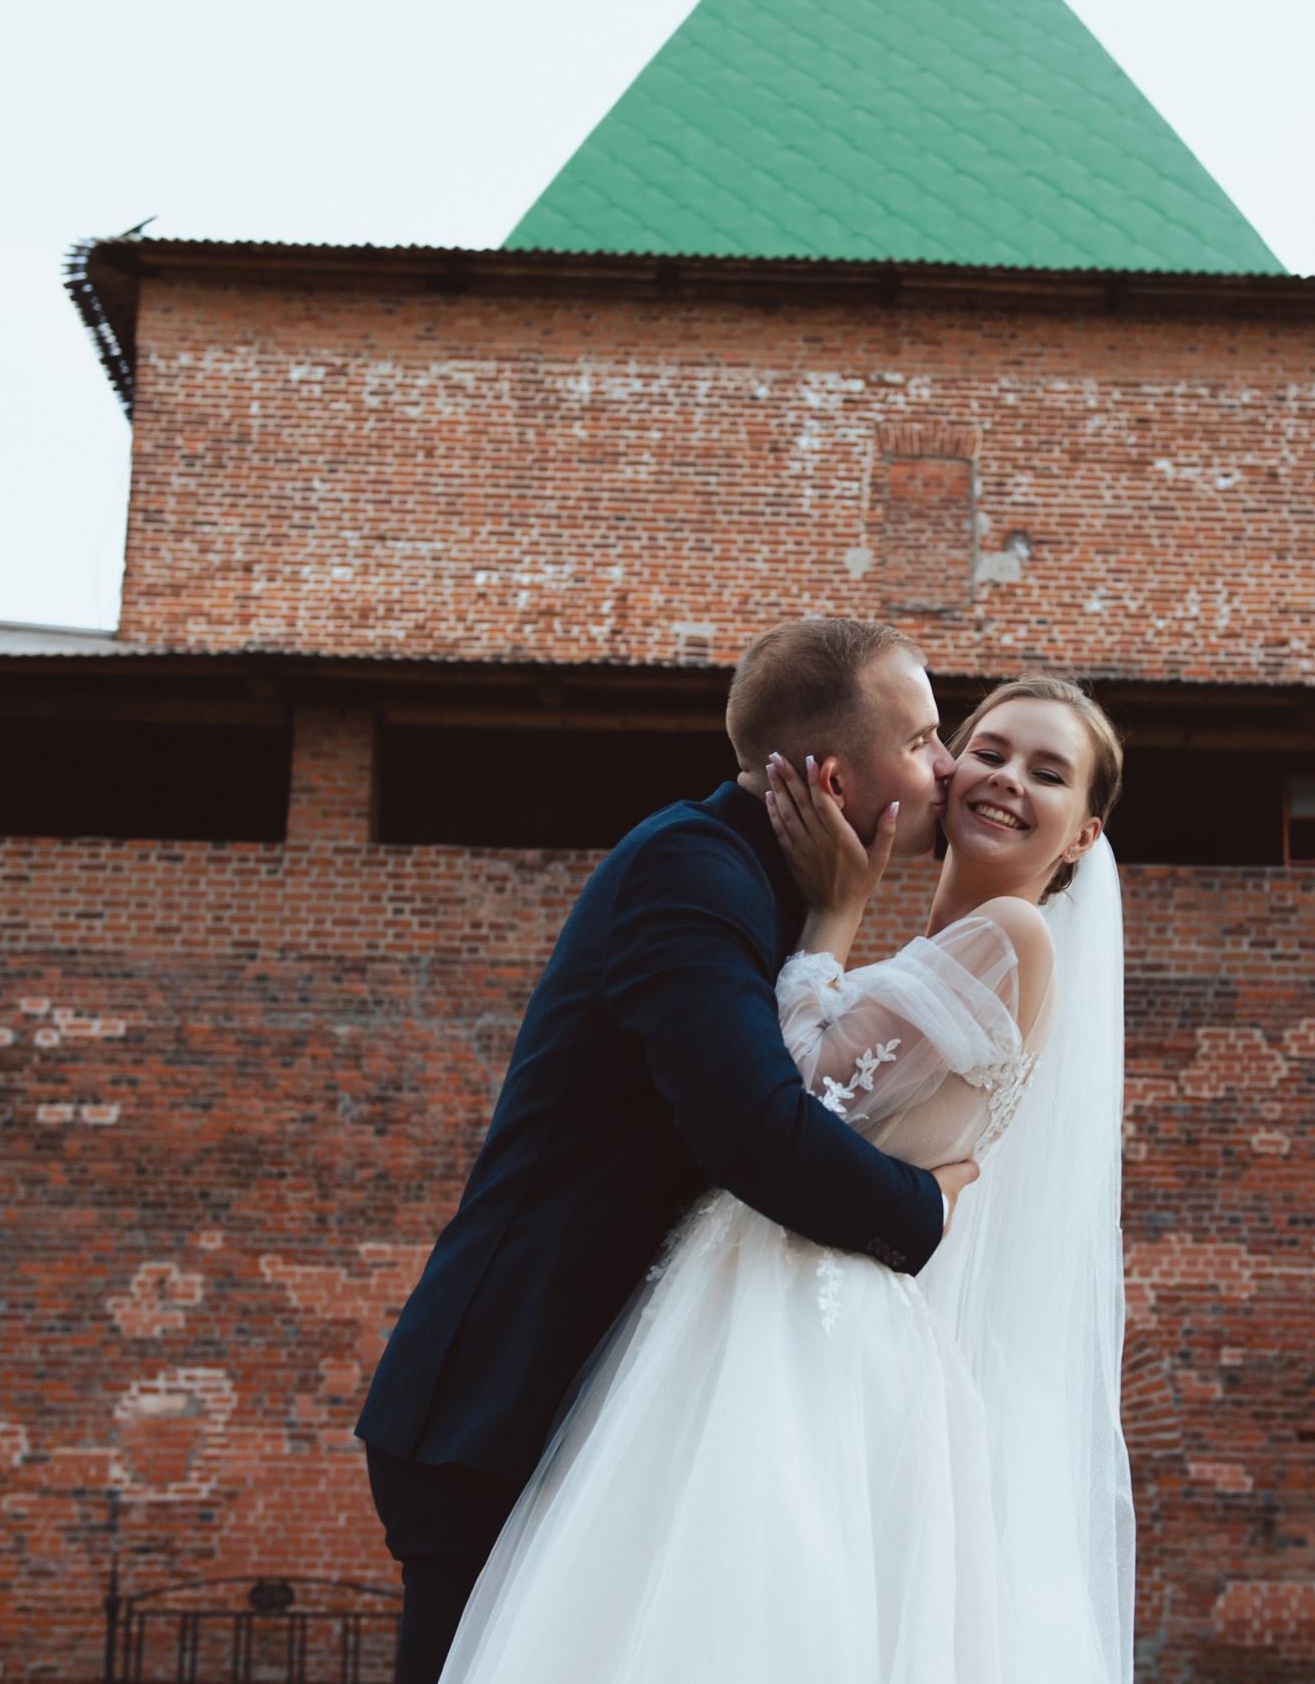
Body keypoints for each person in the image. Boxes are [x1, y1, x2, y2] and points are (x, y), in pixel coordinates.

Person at [437, 674, 1132, 1684]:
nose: (1003, 778)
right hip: (756, 1294)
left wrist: (832, 914)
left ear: (1079, 835)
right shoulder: (939, 953)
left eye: (1047, 771)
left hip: (805, 1319)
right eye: (984, 748)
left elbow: (799, 1098)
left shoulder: (1010, 935)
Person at [355, 618, 978, 1684]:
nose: (951, 765)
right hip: (508, 1394)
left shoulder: (774, 888)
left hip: (611, 1402)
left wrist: (838, 911)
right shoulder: (690, 870)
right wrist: (930, 1205)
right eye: (923, 739)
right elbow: (756, 1133)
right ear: (832, 777)